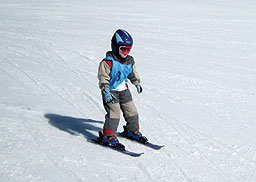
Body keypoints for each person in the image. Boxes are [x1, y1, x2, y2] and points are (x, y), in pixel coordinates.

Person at [97, 29, 147, 148]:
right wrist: (105, 90)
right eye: (123, 49)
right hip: (111, 91)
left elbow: (132, 73)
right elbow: (103, 77)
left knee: (132, 111)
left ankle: (132, 130)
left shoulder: (129, 61)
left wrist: (137, 83)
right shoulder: (107, 62)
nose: (126, 52)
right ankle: (108, 135)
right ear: (115, 47)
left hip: (124, 90)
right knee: (114, 113)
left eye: (128, 49)